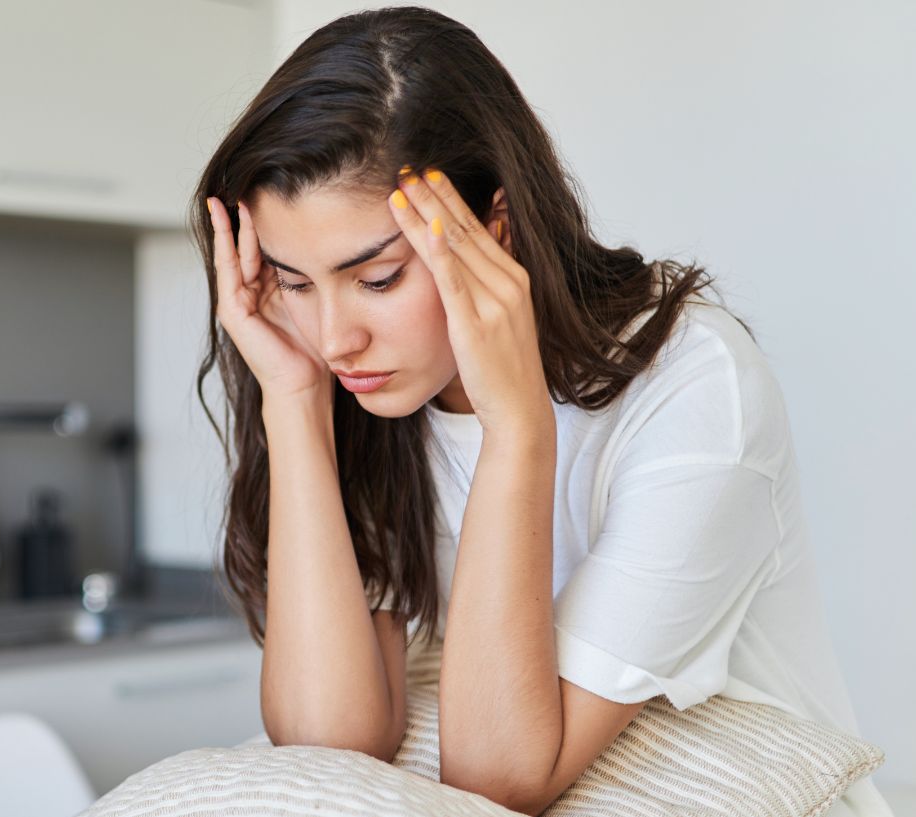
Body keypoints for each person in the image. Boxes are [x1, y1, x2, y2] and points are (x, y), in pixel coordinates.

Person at [190, 6, 892, 816]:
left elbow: (499, 773)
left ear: (494, 227)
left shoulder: (693, 385)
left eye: (378, 279)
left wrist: (518, 427)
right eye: (294, 282)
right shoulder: (355, 384)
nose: (333, 336)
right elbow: (329, 741)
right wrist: (293, 399)